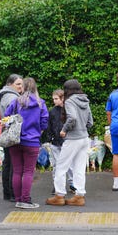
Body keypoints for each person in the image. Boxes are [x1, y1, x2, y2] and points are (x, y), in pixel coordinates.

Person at [46, 79, 94, 207]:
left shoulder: (70, 101)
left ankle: (59, 196)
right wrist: (83, 128)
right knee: (79, 168)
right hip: (84, 138)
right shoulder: (85, 100)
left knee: (61, 167)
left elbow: (72, 117)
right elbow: (90, 122)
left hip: (72, 139)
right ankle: (79, 196)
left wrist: (64, 130)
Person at [5, 77, 48, 209]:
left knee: (17, 171)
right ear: (35, 88)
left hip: (15, 141)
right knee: (28, 172)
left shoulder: (16, 102)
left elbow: (6, 118)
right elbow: (44, 123)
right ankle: (26, 199)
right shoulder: (40, 104)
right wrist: (38, 131)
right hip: (32, 141)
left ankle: (18, 199)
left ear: (23, 88)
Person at [0, 74, 23, 201]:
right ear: (9, 84)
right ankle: (13, 193)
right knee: (13, 164)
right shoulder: (12, 97)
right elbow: (15, 117)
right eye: (18, 84)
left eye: (21, 84)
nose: (21, 87)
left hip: (6, 133)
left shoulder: (4, 95)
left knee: (8, 163)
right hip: (12, 134)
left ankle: (7, 192)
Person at [44, 89, 75, 194]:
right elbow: (49, 126)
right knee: (56, 165)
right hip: (56, 142)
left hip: (67, 141)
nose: (54, 101)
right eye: (53, 99)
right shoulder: (52, 111)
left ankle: (72, 184)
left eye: (56, 99)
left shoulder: (69, 110)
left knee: (70, 164)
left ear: (63, 98)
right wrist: (50, 138)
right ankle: (57, 185)